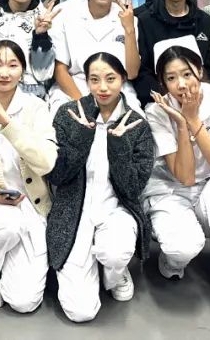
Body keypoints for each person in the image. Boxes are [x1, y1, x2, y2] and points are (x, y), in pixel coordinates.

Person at [144, 37, 210, 323]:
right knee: (181, 248)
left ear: (200, 70)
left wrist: (193, 120)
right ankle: (172, 259)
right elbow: (185, 176)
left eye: (187, 74)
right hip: (171, 191)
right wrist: (181, 123)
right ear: (162, 82)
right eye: (171, 78)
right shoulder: (156, 111)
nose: (181, 84)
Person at [46, 49, 154, 323]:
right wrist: (82, 138)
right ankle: (90, 262)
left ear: (122, 80)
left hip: (117, 208)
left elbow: (133, 189)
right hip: (74, 211)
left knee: (115, 254)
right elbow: (57, 175)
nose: (102, 87)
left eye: (110, 79)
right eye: (94, 80)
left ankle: (113, 272)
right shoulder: (68, 114)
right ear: (87, 81)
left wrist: (118, 147)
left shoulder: (137, 124)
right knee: (80, 312)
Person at [0, 38, 58, 312]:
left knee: (24, 302)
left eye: (13, 65)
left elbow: (47, 162)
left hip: (32, 207)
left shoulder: (36, 107)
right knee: (6, 225)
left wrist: (7, 123)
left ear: (23, 70)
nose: (4, 72)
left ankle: (4, 262)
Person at [48, 0, 141, 113]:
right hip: (74, 85)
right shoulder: (64, 13)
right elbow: (60, 70)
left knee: (134, 123)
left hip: (117, 87)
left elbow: (131, 73)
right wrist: (84, 104)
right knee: (66, 122)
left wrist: (129, 29)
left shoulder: (127, 18)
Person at [134, 0, 210, 107]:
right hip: (159, 100)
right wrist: (166, 98)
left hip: (199, 96)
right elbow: (143, 71)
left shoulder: (205, 22)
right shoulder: (144, 21)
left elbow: (209, 68)